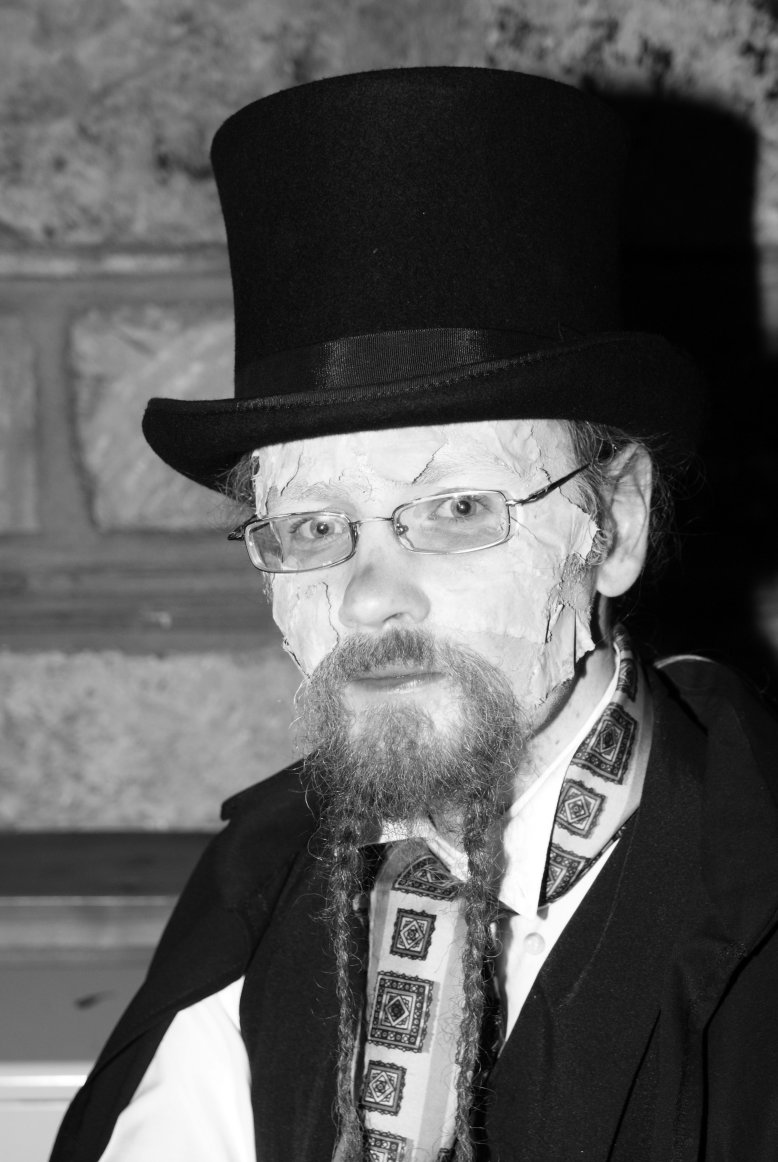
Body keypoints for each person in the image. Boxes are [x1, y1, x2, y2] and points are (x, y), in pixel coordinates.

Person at [51, 67, 778, 1162]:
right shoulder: (253, 901)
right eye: (311, 527)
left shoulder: (755, 908)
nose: (369, 593)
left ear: (613, 525)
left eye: (457, 510)